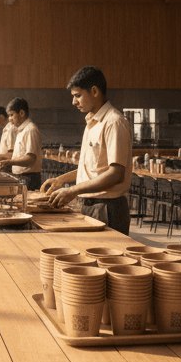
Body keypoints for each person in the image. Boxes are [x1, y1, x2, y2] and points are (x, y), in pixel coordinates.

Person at [40, 66, 133, 235]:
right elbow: (94, 169)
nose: (73, 102)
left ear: (95, 91)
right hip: (92, 205)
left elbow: (116, 174)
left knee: (107, 252)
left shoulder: (113, 122)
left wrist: (73, 190)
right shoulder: (92, 122)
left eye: (78, 95)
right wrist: (61, 180)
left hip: (107, 208)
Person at [0, 98, 43, 190]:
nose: (9, 119)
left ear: (21, 113)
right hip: (22, 177)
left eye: (11, 115)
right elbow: (18, 155)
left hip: (29, 178)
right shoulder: (21, 131)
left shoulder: (30, 130)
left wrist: (9, 162)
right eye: (9, 116)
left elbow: (31, 158)